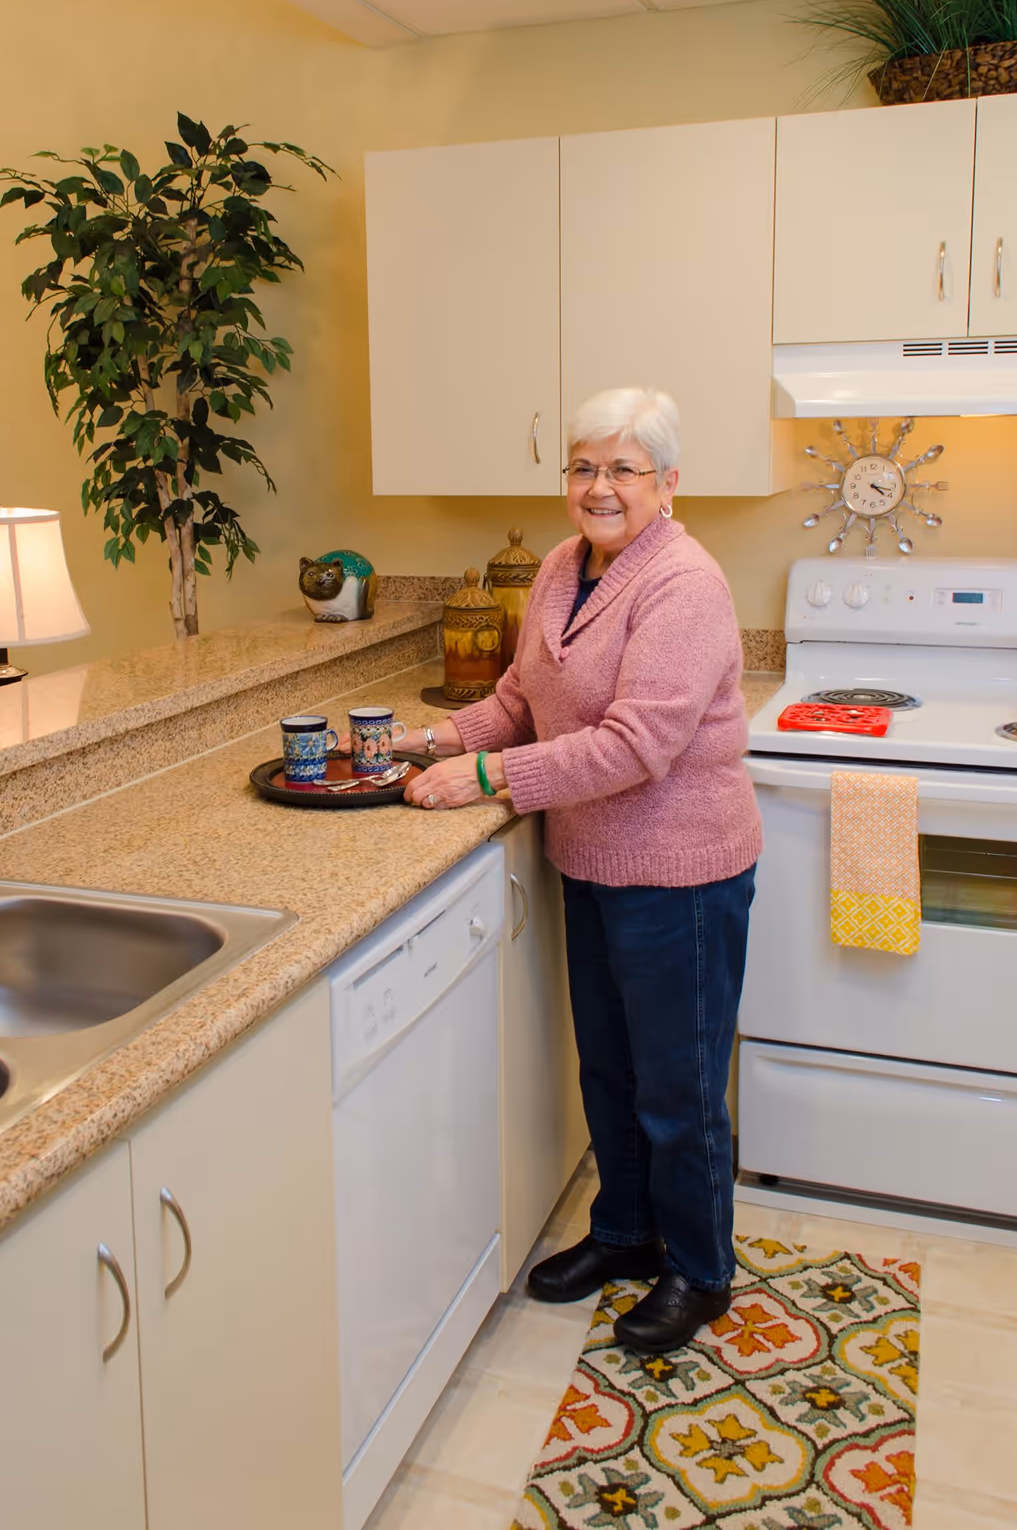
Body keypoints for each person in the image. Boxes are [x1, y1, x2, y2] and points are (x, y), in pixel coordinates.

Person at [397, 387, 761, 1353]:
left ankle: (699, 1268)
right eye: (584, 467)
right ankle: (626, 1232)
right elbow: (521, 695)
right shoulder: (563, 566)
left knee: (677, 1086)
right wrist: (430, 738)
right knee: (609, 1067)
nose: (600, 487)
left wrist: (485, 776)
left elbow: (635, 744)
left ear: (669, 484)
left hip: (681, 869)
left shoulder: (687, 584)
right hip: (594, 859)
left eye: (624, 469)